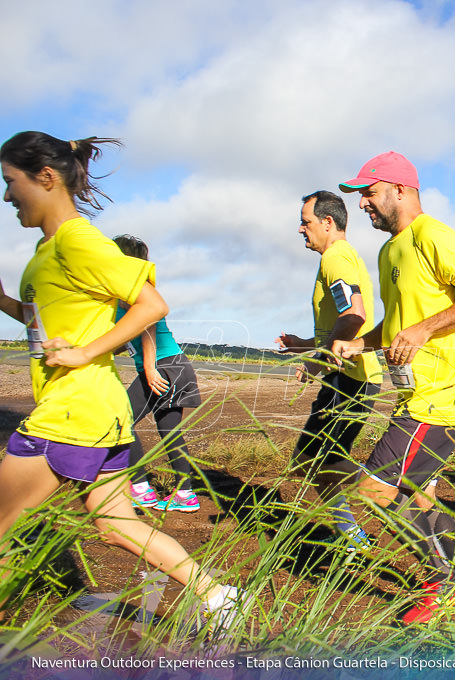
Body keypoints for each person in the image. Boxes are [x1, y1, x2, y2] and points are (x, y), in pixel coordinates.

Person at [0, 131, 244, 629]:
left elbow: (151, 305)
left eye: (10, 182)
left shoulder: (78, 241)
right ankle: (219, 597)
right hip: (101, 412)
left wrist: (87, 352)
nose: (6, 196)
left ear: (46, 178)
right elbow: (43, 323)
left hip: (73, 411)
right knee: (116, 525)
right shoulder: (47, 250)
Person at [336, 151, 455, 624]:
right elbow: (398, 324)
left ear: (400, 190)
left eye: (369, 192)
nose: (364, 203)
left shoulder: (435, 236)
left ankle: (452, 584)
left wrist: (426, 330)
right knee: (417, 494)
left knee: (375, 492)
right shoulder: (390, 250)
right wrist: (360, 345)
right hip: (414, 394)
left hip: (442, 396)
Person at [275, 190, 383, 549]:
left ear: (327, 222)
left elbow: (355, 314)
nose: (301, 230)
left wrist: (315, 361)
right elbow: (339, 325)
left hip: (351, 380)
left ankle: (393, 494)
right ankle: (353, 538)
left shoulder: (335, 258)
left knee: (316, 462)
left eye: (305, 222)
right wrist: (304, 344)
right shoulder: (341, 258)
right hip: (348, 379)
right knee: (310, 463)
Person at [112, 235, 203, 513]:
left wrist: (150, 368)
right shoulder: (132, 291)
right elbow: (127, 338)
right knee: (169, 431)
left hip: (163, 366)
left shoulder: (133, 290)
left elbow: (148, 323)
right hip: (175, 364)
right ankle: (185, 495)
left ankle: (140, 488)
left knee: (119, 418)